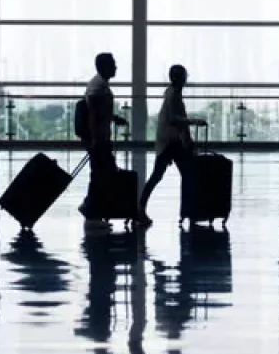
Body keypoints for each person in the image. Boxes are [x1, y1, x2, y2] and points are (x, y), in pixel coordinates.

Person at [137, 65, 204, 227]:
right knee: (185, 174)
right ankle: (189, 212)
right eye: (183, 76)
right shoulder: (173, 95)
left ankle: (141, 208)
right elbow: (175, 119)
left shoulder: (172, 93)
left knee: (164, 175)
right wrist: (193, 123)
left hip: (170, 142)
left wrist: (187, 139)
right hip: (171, 143)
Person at [79, 53, 127, 229]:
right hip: (98, 138)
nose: (115, 67)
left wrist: (113, 118)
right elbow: (92, 114)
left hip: (100, 137)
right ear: (103, 66)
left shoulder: (99, 84)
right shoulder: (98, 87)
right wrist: (95, 139)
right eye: (113, 64)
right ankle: (91, 207)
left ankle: (93, 206)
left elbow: (99, 112)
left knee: (102, 171)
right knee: (101, 172)